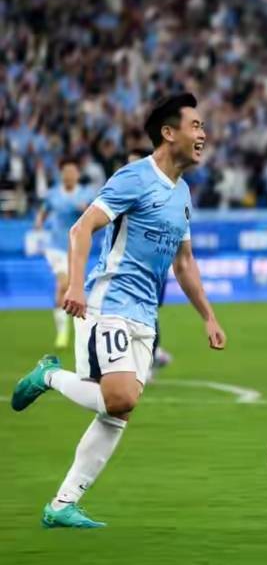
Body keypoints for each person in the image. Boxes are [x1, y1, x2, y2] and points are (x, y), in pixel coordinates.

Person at [10, 93, 227, 529]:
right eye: (196, 126)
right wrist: (75, 284)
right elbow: (81, 228)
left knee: (118, 412)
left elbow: (184, 262)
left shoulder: (183, 193)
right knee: (121, 398)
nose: (203, 134)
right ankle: (48, 376)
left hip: (146, 314)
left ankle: (62, 504)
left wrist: (208, 315)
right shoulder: (133, 178)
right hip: (109, 302)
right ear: (169, 133)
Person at [33, 158, 94, 349]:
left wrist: (85, 210)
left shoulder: (86, 193)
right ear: (61, 174)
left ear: (77, 174)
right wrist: (39, 222)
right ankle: (62, 332)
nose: (69, 175)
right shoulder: (53, 194)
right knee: (63, 284)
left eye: (72, 171)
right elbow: (44, 210)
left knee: (71, 287)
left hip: (77, 248)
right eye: (66, 172)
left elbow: (94, 214)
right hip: (56, 247)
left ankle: (76, 326)